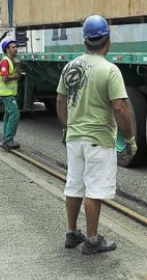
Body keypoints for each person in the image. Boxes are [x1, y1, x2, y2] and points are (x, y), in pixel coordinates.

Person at [57, 14, 136, 255]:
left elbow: (60, 101)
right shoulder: (109, 70)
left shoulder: (70, 66)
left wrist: (66, 127)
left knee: (74, 184)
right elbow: (120, 108)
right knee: (94, 190)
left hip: (74, 138)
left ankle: (72, 233)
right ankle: (92, 239)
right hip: (98, 139)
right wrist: (130, 137)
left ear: (85, 42)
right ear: (107, 41)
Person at [0, 38, 21, 150]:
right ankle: (8, 140)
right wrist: (15, 75)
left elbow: (18, 77)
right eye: (13, 47)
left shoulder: (12, 61)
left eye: (16, 47)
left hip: (9, 92)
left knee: (8, 115)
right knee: (15, 114)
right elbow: (5, 79)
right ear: (7, 49)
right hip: (6, 93)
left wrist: (18, 66)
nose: (16, 49)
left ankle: (6, 139)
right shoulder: (5, 61)